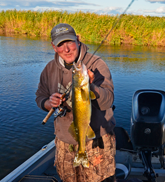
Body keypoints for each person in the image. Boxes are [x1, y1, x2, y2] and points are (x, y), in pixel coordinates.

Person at [36, 23, 116, 182]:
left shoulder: (96, 64)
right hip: (64, 142)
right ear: (54, 47)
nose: (66, 49)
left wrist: (91, 86)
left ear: (78, 41)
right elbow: (40, 97)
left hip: (97, 141)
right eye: (60, 45)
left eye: (70, 43)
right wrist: (49, 103)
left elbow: (108, 100)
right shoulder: (49, 69)